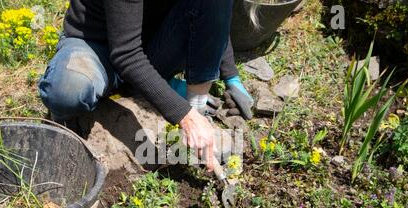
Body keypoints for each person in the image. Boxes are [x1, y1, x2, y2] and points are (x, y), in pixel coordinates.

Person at [38, 0, 254, 171]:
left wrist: (231, 77)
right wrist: (186, 116)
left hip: (150, 48)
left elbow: (211, 13)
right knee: (67, 90)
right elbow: (126, 54)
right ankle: (65, 128)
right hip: (95, 46)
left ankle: (158, 91)